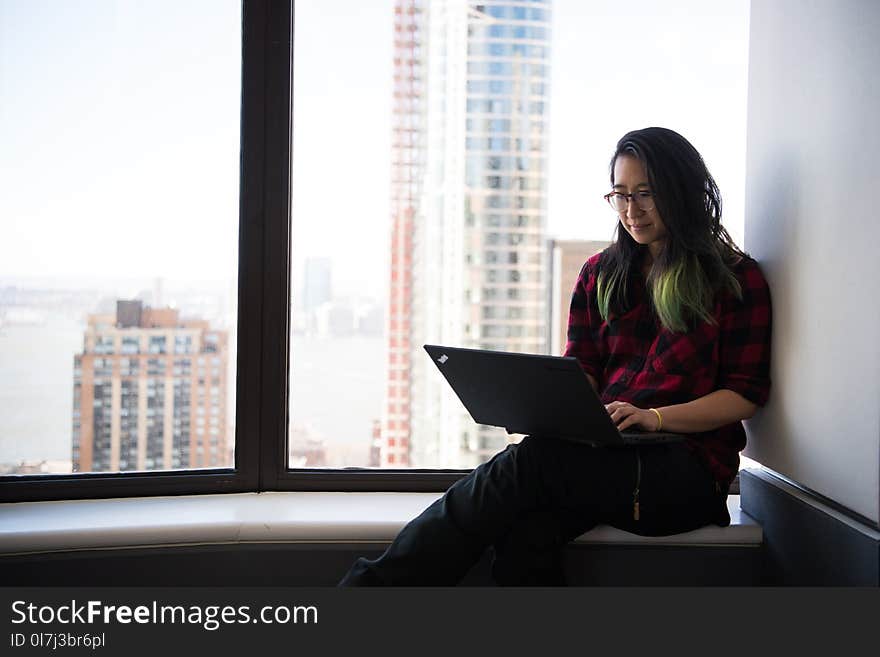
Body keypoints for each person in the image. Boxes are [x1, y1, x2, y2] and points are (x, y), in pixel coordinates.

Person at [339, 127, 772, 586]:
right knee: (527, 528)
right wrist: (549, 406)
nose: (631, 210)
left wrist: (654, 418)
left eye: (646, 193)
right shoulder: (600, 274)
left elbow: (743, 396)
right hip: (606, 458)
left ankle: (369, 590)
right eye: (620, 195)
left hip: (686, 473)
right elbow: (583, 367)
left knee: (528, 464)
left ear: (681, 190)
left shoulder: (735, 279)